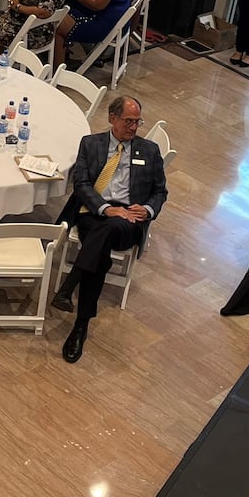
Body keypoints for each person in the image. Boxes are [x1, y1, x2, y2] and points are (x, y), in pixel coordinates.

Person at [52, 95, 168, 362]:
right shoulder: (90, 144)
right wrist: (105, 208)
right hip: (94, 212)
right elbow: (81, 184)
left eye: (137, 122)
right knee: (101, 247)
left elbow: (160, 191)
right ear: (112, 118)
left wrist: (147, 209)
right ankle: (80, 324)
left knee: (108, 230)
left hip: (129, 218)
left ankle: (69, 290)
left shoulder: (149, 150)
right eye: (128, 121)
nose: (133, 127)